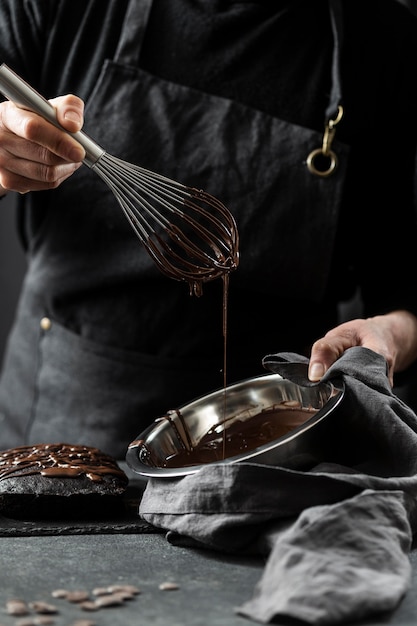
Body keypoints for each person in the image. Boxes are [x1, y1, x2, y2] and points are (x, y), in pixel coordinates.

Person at [0, 0, 417, 460]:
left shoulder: (385, 43)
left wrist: (391, 335)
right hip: (65, 428)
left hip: (275, 438)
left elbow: (403, 289)